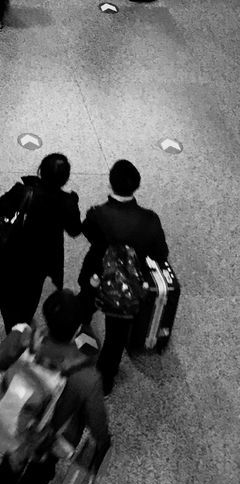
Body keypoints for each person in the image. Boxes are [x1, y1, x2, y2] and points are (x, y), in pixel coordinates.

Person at [0, 290, 111, 484]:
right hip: (51, 436)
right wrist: (103, 440)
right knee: (41, 471)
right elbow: (96, 419)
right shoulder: (85, 375)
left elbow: (0, 359)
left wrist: (18, 333)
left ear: (46, 316)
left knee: (12, 456)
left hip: (19, 416)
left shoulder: (28, 338)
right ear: (77, 327)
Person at [79, 158, 169, 394]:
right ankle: (105, 380)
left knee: (86, 298)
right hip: (126, 286)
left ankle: (83, 321)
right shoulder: (150, 219)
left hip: (96, 273)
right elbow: (161, 254)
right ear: (136, 186)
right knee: (115, 338)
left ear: (110, 183)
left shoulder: (98, 214)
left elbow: (86, 232)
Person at [0, 152, 82, 331]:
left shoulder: (22, 192)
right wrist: (73, 203)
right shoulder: (67, 203)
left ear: (40, 170)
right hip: (40, 262)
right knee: (29, 299)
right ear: (65, 179)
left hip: (9, 255)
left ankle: (11, 329)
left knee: (6, 296)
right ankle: (22, 325)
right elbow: (75, 230)